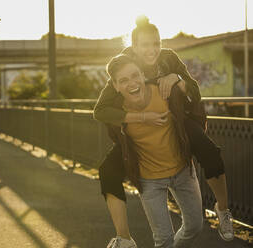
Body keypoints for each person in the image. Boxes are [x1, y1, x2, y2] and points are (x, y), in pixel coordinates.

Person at [94, 16, 234, 245]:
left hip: (176, 120)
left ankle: (224, 209)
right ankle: (123, 238)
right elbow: (100, 110)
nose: (152, 50)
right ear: (133, 47)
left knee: (209, 151)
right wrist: (139, 117)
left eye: (156, 44)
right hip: (138, 135)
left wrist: (177, 78)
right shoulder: (126, 67)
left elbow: (194, 92)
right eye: (145, 45)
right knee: (108, 170)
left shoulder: (168, 58)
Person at [102, 54, 203, 248]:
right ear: (115, 86)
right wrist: (141, 118)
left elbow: (194, 100)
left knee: (195, 226)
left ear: (143, 74)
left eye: (135, 75)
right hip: (149, 180)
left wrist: (177, 77)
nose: (132, 83)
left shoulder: (165, 93)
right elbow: (103, 119)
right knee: (164, 240)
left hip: (183, 171)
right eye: (123, 80)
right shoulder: (116, 113)